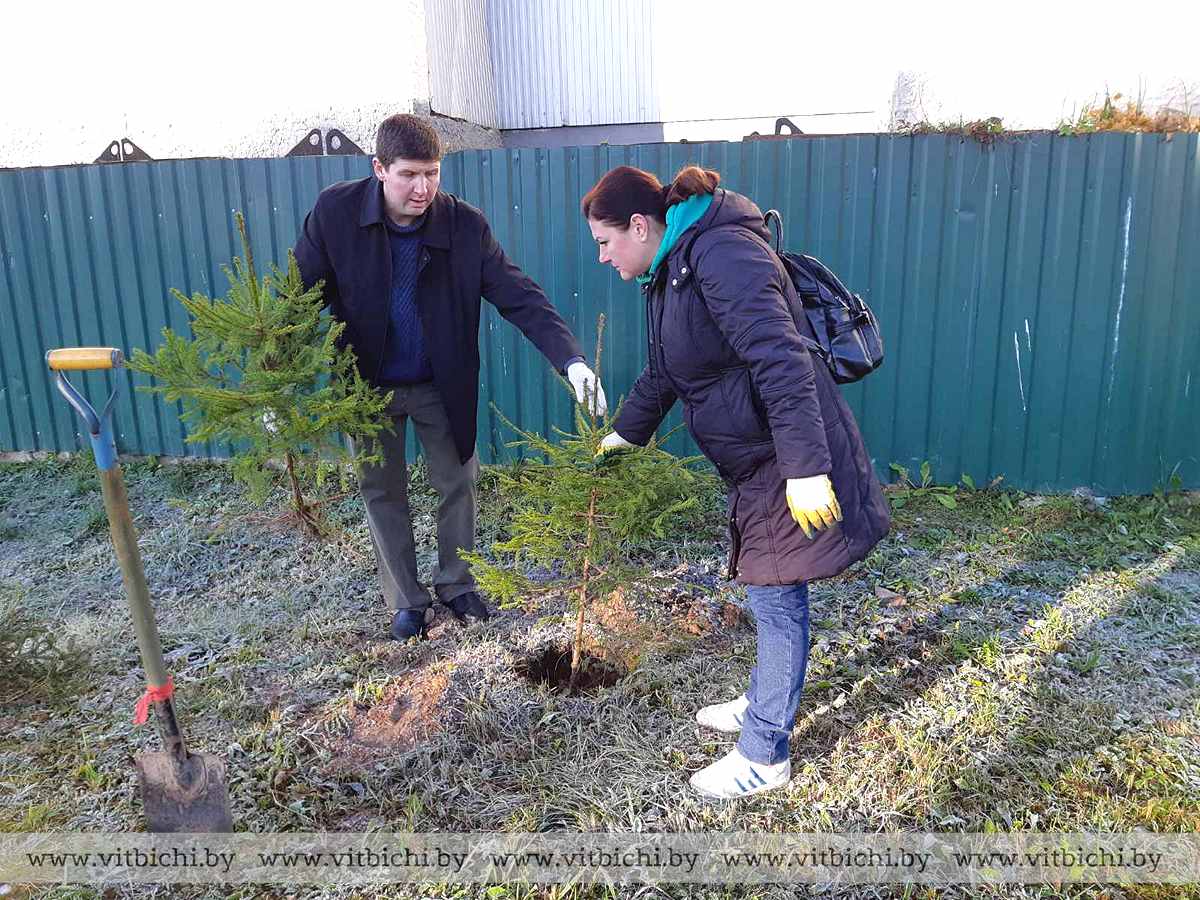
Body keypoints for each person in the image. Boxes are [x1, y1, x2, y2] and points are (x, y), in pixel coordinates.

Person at [583, 165, 889, 799]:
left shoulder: (721, 255)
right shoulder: (675, 268)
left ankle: (764, 752)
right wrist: (625, 433)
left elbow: (780, 358)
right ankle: (761, 704)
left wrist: (807, 470)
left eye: (605, 241)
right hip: (756, 455)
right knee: (766, 588)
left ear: (640, 225)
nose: (603, 256)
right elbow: (667, 371)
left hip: (785, 452)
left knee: (777, 596)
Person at [294, 114, 607, 641]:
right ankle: (406, 601)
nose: (423, 189)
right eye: (410, 175)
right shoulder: (335, 213)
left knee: (458, 481)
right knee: (381, 489)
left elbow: (518, 293)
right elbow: (295, 295)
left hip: (440, 382)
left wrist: (570, 359)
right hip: (363, 382)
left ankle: (456, 584)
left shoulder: (464, 225)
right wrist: (275, 379)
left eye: (433, 174)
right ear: (379, 169)